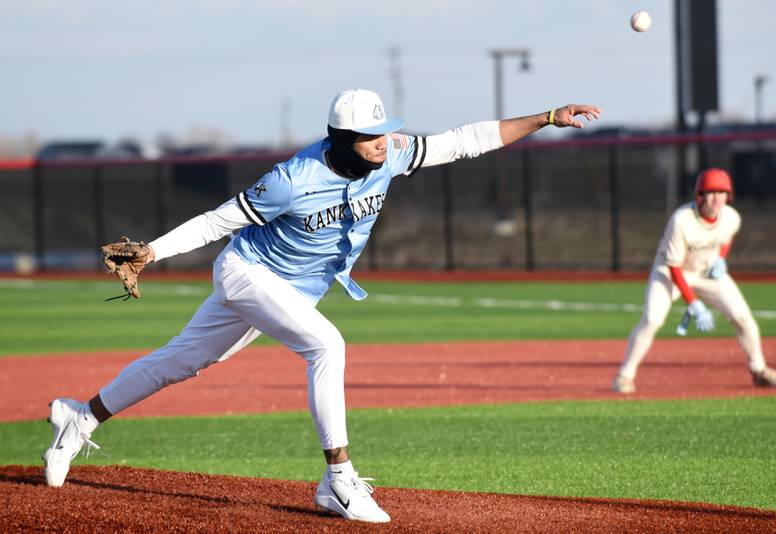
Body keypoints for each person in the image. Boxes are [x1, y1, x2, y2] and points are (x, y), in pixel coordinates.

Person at [42, 89, 602, 523]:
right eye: (369, 135)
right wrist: (152, 252)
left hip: (289, 290)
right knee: (327, 344)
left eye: (385, 131)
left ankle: (79, 417)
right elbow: (220, 220)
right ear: (338, 138)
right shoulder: (291, 179)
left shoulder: (391, 156)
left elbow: (464, 140)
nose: (383, 142)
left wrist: (546, 116)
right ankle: (338, 478)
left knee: (181, 361)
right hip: (248, 275)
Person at [612, 168, 776, 394]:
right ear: (699, 196)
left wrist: (721, 260)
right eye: (710, 192)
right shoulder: (681, 221)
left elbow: (726, 237)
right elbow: (674, 267)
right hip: (669, 271)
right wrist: (693, 303)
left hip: (707, 270)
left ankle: (759, 370)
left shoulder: (731, 217)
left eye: (722, 192)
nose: (717, 198)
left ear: (729, 195)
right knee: (652, 319)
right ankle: (624, 376)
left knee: (743, 317)